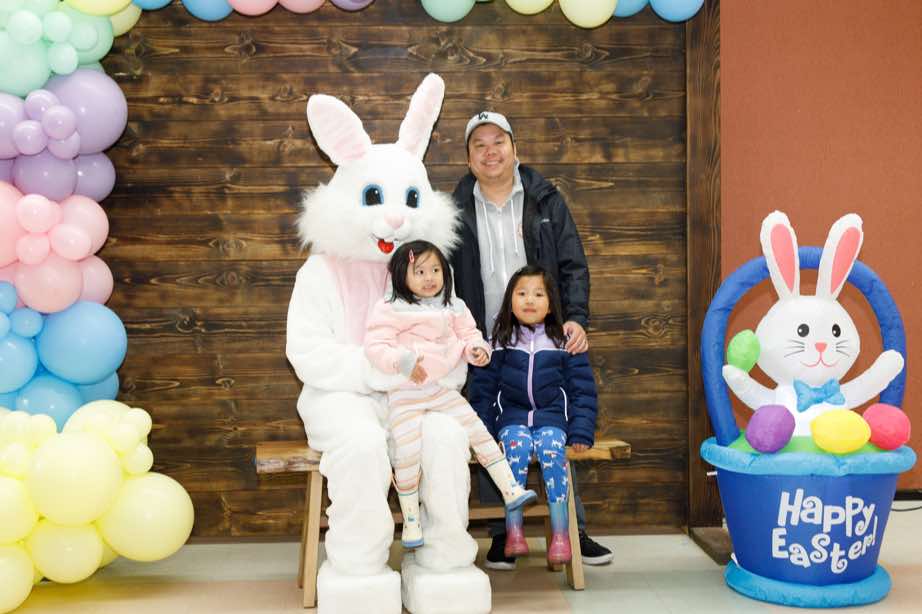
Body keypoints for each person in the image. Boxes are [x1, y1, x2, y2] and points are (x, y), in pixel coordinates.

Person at [450, 111, 613, 569]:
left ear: (514, 149)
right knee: (492, 429)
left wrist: (575, 319)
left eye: (498, 142)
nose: (490, 152)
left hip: (545, 336)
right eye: (479, 145)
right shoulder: (454, 209)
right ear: (468, 158)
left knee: (555, 426)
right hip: (484, 342)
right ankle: (503, 533)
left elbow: (573, 264)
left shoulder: (545, 200)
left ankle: (574, 530)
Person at [364, 240, 537, 549]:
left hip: (441, 389)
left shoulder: (453, 306)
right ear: (402, 275)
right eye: (420, 272)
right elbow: (376, 346)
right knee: (407, 452)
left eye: (436, 270)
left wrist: (477, 349)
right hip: (405, 393)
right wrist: (402, 362)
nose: (430, 278)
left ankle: (510, 488)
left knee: (478, 431)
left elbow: (469, 335)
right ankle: (411, 520)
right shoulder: (390, 308)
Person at [470, 266, 598, 565]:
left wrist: (581, 431)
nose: (530, 300)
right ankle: (514, 531)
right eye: (522, 293)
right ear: (510, 301)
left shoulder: (564, 342)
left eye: (539, 294)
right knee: (515, 450)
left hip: (552, 419)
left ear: (551, 303)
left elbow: (582, 390)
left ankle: (561, 535)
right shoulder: (498, 341)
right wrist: (483, 433)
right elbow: (483, 391)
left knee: (553, 451)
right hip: (512, 419)